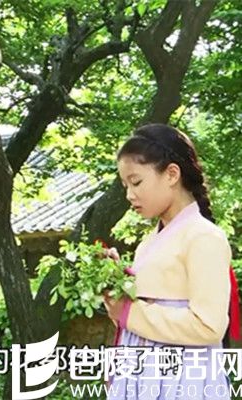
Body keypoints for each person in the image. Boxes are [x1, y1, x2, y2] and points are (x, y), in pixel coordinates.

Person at [103, 123, 238, 399]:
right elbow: (138, 318)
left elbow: (209, 327)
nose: (129, 195)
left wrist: (129, 311)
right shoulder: (147, 244)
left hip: (180, 380)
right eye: (125, 185)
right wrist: (116, 283)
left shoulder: (203, 237)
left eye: (136, 182)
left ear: (172, 174)